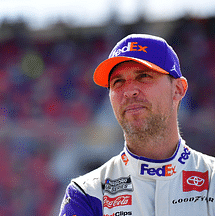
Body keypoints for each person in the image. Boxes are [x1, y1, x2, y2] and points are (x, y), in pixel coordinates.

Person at [59, 34, 215, 215]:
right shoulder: (86, 194)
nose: (129, 91)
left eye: (144, 76)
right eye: (118, 82)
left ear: (178, 90)